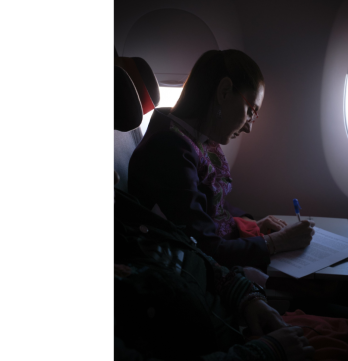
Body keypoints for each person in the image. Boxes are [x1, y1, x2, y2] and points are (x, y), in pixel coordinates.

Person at [114, 184, 348, 361]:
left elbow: (193, 250)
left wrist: (247, 297)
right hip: (234, 354)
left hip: (239, 318)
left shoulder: (123, 209)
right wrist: (267, 354)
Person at [128, 49, 314, 270]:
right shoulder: (168, 149)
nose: (249, 127)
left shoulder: (194, 138)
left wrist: (253, 225)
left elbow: (209, 206)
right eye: (251, 111)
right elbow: (206, 248)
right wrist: (277, 242)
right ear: (224, 91)